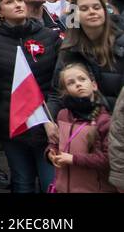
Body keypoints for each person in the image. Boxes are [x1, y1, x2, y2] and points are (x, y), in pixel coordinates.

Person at [0, 0, 61, 193]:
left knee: (50, 183)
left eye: (19, 0)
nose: (17, 4)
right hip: (12, 122)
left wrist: (50, 117)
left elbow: (58, 81)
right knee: (22, 182)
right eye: (9, 2)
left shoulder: (49, 36)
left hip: (46, 123)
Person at [46, 62, 113, 193]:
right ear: (65, 91)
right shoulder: (62, 115)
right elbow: (54, 142)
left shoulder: (104, 120)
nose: (78, 84)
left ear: (94, 85)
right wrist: (51, 152)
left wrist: (73, 159)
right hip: (63, 188)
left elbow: (108, 160)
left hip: (93, 189)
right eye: (71, 83)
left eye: (82, 79)